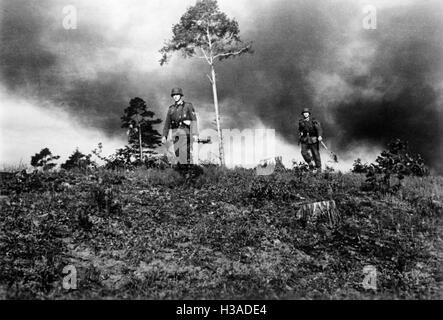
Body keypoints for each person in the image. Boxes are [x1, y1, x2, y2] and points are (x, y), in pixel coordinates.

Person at [162, 88, 198, 165]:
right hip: (175, 132)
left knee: (184, 151)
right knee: (177, 152)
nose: (175, 96)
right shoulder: (171, 109)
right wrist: (164, 135)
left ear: (180, 95)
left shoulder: (188, 106)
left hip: (185, 131)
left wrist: (195, 134)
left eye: (177, 95)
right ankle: (183, 171)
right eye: (174, 95)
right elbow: (167, 123)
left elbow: (194, 119)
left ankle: (189, 171)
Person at [298, 108, 323, 172]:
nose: (305, 114)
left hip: (313, 139)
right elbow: (300, 129)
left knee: (315, 154)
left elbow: (319, 129)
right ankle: (310, 163)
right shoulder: (301, 122)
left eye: (307, 113)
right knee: (303, 152)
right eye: (304, 113)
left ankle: (319, 168)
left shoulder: (313, 121)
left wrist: (319, 136)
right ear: (303, 114)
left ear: (309, 114)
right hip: (304, 139)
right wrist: (300, 132)